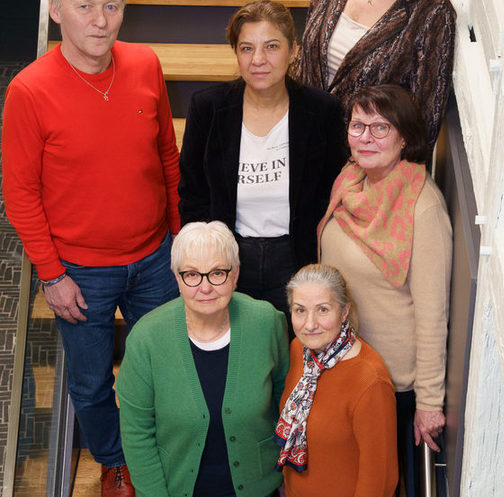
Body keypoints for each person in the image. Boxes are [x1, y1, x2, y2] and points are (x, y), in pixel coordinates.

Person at [1, 0, 180, 497]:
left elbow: (167, 156)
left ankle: (159, 451)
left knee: (165, 367)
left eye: (112, 5)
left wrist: (178, 237)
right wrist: (51, 275)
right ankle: (115, 461)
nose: (101, 20)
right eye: (85, 5)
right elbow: (20, 194)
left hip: (155, 256)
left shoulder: (145, 63)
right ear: (56, 11)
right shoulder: (29, 90)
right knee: (91, 381)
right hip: (79, 272)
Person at [116, 221, 289, 497]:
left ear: (236, 274)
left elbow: (285, 400)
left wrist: (286, 468)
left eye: (217, 272)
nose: (205, 286)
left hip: (248, 493)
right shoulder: (147, 337)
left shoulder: (267, 322)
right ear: (176, 277)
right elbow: (135, 430)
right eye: (192, 274)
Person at [178, 0, 348, 316]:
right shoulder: (208, 108)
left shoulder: (322, 111)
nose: (258, 59)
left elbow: (334, 192)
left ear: (293, 50)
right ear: (236, 52)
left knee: (293, 343)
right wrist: (206, 261)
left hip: (296, 257)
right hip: (227, 258)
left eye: (271, 46)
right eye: (247, 48)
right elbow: (193, 194)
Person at [318, 84, 452, 450]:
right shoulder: (350, 180)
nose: (366, 137)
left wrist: (429, 402)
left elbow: (433, 314)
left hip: (389, 382)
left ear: (404, 137)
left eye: (380, 127)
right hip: (341, 362)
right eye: (357, 126)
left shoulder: (422, 208)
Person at [275, 264, 397, 497]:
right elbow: (296, 427)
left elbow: (381, 476)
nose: (310, 323)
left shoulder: (369, 382)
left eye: (323, 310)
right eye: (300, 310)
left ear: (344, 312)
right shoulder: (300, 350)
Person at [293, 0, 456, 150]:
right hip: (302, 145)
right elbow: (304, 65)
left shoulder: (433, 11)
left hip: (364, 162)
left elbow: (424, 123)